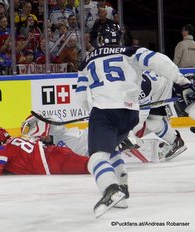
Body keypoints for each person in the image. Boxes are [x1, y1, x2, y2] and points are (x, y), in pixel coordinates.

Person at [75, 23, 193, 218]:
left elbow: (79, 98)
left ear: (100, 39)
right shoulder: (131, 51)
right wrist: (181, 81)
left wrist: (91, 113)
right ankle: (123, 192)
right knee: (111, 148)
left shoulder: (86, 61)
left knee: (96, 158)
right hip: (130, 113)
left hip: (104, 112)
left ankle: (110, 189)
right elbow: (159, 61)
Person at [0, 127, 89, 176]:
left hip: (54, 162)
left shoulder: (3, 149)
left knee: (92, 166)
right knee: (93, 164)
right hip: (57, 153)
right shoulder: (18, 139)